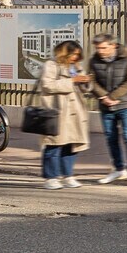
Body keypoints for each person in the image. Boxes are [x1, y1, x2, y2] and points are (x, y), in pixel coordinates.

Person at [34, 40, 91, 189]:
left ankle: (68, 175)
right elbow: (48, 85)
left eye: (78, 55)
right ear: (64, 53)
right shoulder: (51, 65)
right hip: (57, 112)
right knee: (53, 145)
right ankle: (50, 177)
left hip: (74, 112)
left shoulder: (76, 66)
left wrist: (85, 81)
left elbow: (83, 88)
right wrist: (72, 81)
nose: (75, 57)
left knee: (71, 145)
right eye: (73, 54)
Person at [87, 32, 127, 184]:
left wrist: (114, 96)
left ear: (113, 45)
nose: (100, 51)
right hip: (105, 106)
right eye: (98, 48)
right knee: (111, 138)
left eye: (104, 48)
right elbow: (91, 81)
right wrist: (104, 96)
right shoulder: (94, 61)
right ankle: (118, 169)